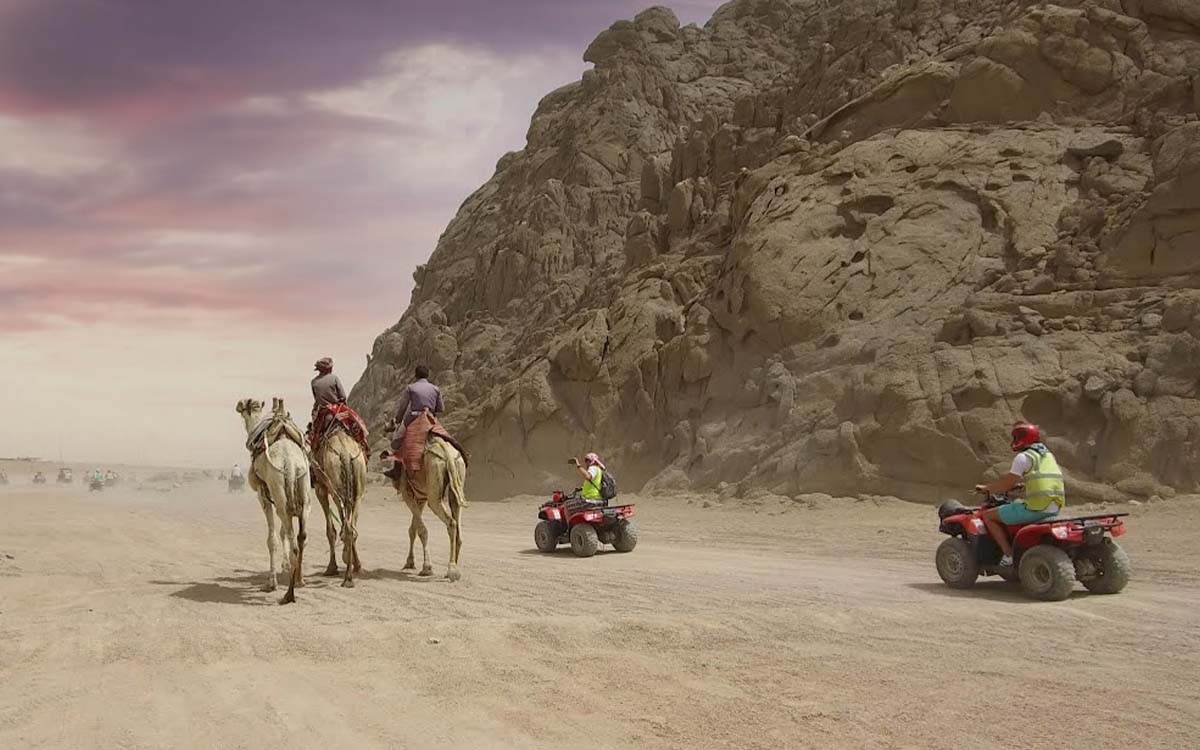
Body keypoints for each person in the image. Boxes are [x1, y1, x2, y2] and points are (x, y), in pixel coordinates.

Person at [976, 422, 1066, 568]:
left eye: (1016, 437)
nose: (1014, 441)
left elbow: (1007, 484)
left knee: (988, 516)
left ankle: (1008, 555)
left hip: (1036, 509)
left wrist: (987, 488)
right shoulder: (1048, 456)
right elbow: (1043, 479)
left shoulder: (1023, 457)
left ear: (1022, 438)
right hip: (1055, 507)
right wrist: (1023, 486)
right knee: (1017, 505)